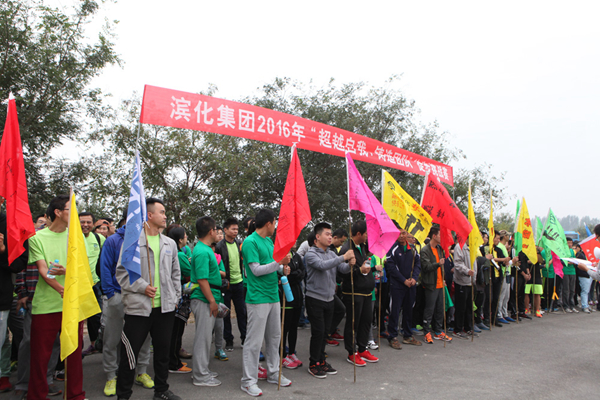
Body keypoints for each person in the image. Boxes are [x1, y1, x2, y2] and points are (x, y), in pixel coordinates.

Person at [115, 198, 182, 400]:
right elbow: (122, 274)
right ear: (149, 215)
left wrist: (176, 296)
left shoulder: (169, 243)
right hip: (138, 309)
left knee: (162, 352)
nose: (165, 216)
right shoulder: (133, 243)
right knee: (130, 355)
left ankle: (161, 390)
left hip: (165, 309)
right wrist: (143, 287)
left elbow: (175, 274)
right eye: (161, 212)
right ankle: (124, 395)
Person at [28, 195, 87, 400]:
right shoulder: (37, 238)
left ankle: (75, 394)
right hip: (46, 305)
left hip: (72, 305)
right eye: (70, 210)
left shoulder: (76, 237)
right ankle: (36, 395)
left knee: (73, 354)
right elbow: (44, 271)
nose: (75, 215)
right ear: (58, 212)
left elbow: (82, 269)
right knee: (40, 356)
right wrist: (62, 289)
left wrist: (68, 274)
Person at [100, 211, 154, 396]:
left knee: (143, 337)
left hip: (141, 296)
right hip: (117, 296)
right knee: (112, 338)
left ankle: (141, 372)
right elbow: (106, 269)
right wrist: (110, 294)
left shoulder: (148, 240)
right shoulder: (113, 241)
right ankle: (111, 376)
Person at [240, 209, 291, 397]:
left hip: (273, 296)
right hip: (257, 298)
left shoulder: (269, 241)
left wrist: (282, 268)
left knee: (274, 338)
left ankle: (273, 373)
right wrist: (278, 262)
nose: (275, 226)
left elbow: (271, 266)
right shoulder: (250, 242)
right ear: (269, 223)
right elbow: (256, 270)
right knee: (253, 341)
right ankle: (248, 381)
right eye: (275, 222)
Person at [304, 223, 354, 378]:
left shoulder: (332, 253)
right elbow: (322, 265)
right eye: (327, 234)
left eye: (331, 234)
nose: (330, 237)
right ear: (317, 237)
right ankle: (313, 364)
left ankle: (321, 360)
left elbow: (341, 269)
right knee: (318, 332)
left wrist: (350, 264)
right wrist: (343, 257)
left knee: (325, 332)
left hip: (329, 298)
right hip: (315, 298)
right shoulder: (311, 254)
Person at [340, 220, 381, 365]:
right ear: (358, 234)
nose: (367, 237)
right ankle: (351, 352)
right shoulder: (346, 249)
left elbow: (365, 265)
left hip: (367, 292)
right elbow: (341, 274)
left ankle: (362, 348)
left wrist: (374, 268)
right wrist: (359, 270)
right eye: (365, 234)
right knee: (353, 323)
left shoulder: (362, 247)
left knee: (366, 321)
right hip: (353, 292)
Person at [189, 217, 223, 386]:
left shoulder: (205, 249)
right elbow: (202, 280)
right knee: (203, 338)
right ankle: (200, 376)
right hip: (203, 299)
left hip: (208, 297)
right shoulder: (202, 251)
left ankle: (202, 370)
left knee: (204, 337)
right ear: (211, 231)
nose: (217, 232)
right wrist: (212, 301)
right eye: (216, 229)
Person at [0, 212, 29, 392]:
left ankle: (3, 374)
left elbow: (19, 264)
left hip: (3, 296)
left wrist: (3, 252)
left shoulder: (11, 224)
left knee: (3, 339)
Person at [385, 226, 422, 349]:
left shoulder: (412, 249)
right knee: (394, 311)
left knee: (409, 310)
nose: (401, 236)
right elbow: (391, 267)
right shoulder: (393, 248)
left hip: (411, 285)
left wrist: (414, 278)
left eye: (404, 233)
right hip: (397, 286)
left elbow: (417, 264)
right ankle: (392, 336)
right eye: (399, 233)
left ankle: (407, 335)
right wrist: (403, 280)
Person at [215, 217, 246, 352]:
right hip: (226, 285)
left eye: (237, 229)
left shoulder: (239, 244)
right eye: (233, 229)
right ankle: (228, 340)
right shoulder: (219, 246)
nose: (235, 231)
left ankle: (245, 338)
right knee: (226, 314)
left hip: (239, 283)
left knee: (242, 312)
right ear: (225, 230)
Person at [166, 224, 192, 374]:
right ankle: (174, 363)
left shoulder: (175, 252)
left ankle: (174, 360)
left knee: (175, 330)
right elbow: (190, 271)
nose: (187, 237)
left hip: (176, 296)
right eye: (185, 235)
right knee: (176, 331)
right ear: (180, 239)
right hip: (180, 297)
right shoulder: (180, 255)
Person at [419, 227, 452, 344]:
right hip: (430, 284)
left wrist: (443, 278)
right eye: (440, 235)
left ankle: (438, 331)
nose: (441, 237)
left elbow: (442, 267)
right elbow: (426, 267)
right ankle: (426, 332)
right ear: (434, 236)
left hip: (440, 284)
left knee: (440, 308)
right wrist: (438, 263)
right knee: (429, 309)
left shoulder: (439, 249)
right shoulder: (425, 250)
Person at [279, 241, 306, 370]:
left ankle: (291, 352)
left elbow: (302, 273)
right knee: (285, 327)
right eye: (293, 239)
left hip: (298, 295)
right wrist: (294, 274)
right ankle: (282, 355)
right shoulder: (281, 256)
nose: (295, 241)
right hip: (286, 296)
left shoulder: (296, 256)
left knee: (294, 327)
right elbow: (284, 275)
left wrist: (295, 274)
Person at [452, 242, 478, 339]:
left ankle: (468, 327)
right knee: (461, 307)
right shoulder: (459, 247)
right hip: (462, 281)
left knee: (469, 306)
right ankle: (457, 329)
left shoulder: (472, 246)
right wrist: (467, 271)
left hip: (471, 282)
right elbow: (458, 263)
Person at [574, 243, 592, 313]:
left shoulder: (586, 254)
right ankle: (584, 306)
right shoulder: (579, 254)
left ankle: (586, 304)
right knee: (584, 291)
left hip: (589, 274)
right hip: (583, 275)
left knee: (587, 291)